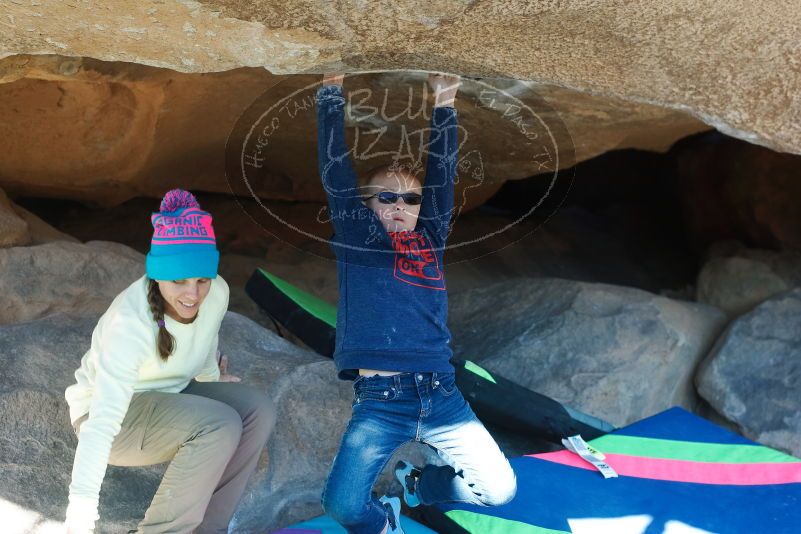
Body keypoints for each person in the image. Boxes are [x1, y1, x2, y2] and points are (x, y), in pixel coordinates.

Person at [316, 73, 517, 534]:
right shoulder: (360, 241)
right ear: (364, 206)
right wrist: (330, 94)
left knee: (500, 491)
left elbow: (443, 179)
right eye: (386, 197)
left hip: (441, 394)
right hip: (382, 402)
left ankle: (420, 486)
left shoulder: (429, 240)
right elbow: (336, 172)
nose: (400, 205)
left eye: (410, 198)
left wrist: (444, 103)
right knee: (343, 508)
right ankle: (384, 522)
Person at [63, 189, 276, 534]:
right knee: (219, 424)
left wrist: (210, 379)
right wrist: (80, 518)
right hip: (112, 414)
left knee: (258, 410)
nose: (192, 294)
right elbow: (101, 425)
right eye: (179, 281)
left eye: (201, 280)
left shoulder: (216, 292)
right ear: (158, 275)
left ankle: (209, 528)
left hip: (174, 393)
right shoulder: (131, 323)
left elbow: (207, 338)